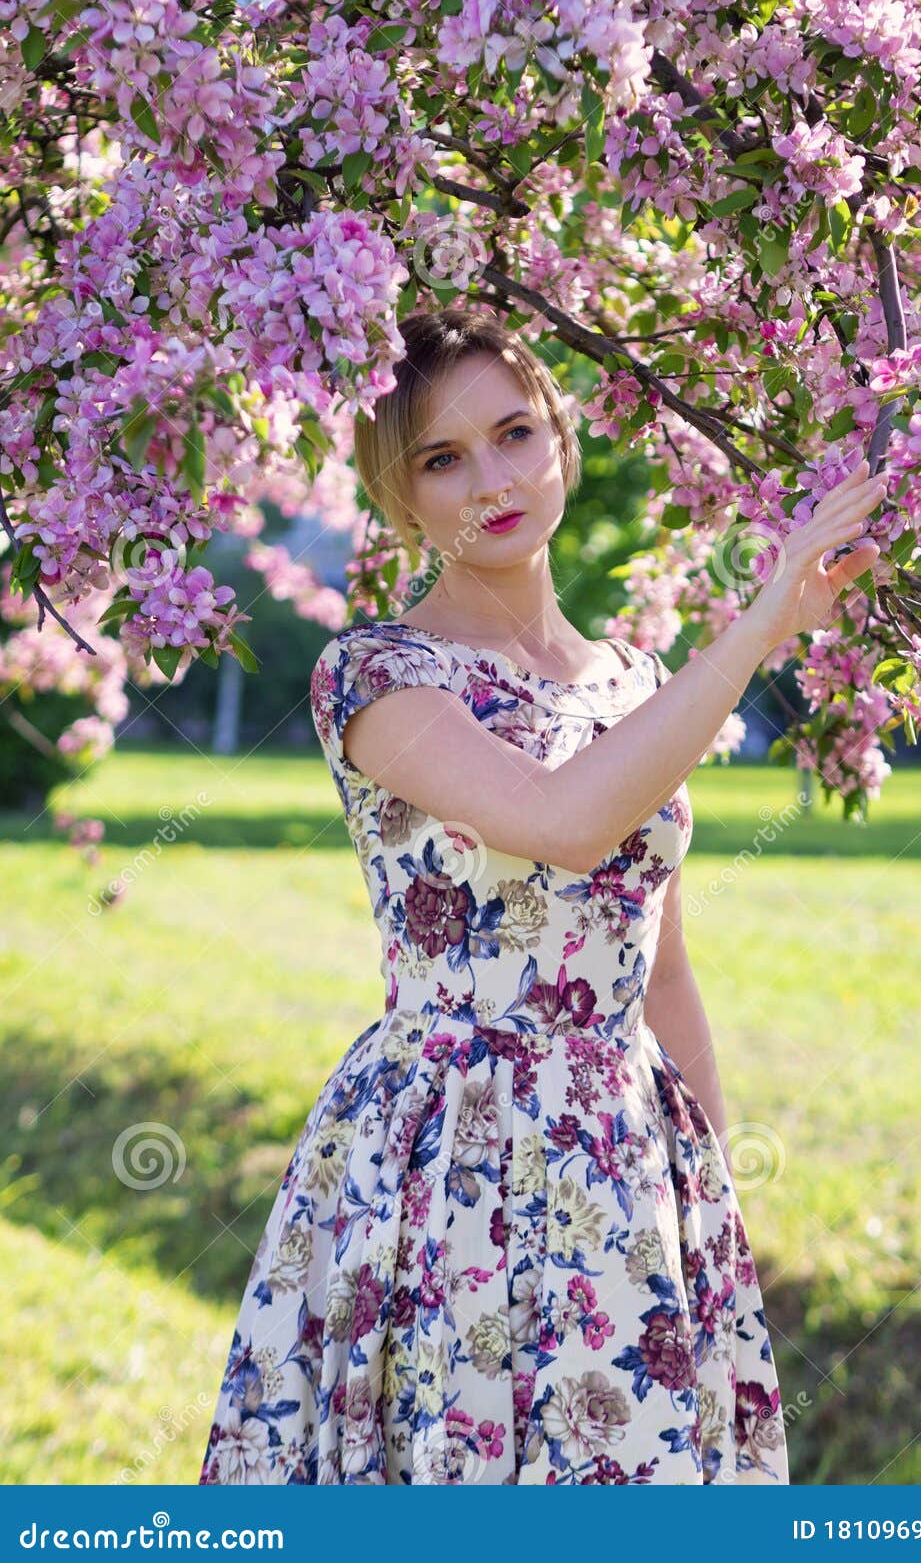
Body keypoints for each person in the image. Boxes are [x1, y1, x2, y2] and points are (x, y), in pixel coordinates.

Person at [198, 308, 885, 1485]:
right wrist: (766, 618)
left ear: (561, 437)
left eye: (516, 433)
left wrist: (709, 1194)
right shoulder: (374, 675)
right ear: (398, 496)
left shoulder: (638, 681)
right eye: (442, 458)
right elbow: (568, 823)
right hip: (446, 1152)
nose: (491, 481)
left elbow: (658, 960)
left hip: (624, 1150)